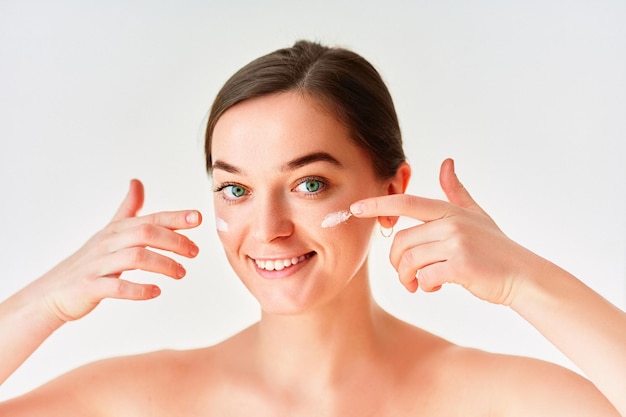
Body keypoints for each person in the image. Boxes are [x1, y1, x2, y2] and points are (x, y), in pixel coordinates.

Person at [0, 40, 624, 416]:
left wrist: (525, 279)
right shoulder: (142, 401)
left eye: (309, 184)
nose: (268, 229)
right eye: (236, 190)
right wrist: (44, 301)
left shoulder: (488, 398)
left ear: (391, 188)